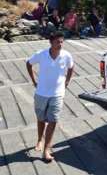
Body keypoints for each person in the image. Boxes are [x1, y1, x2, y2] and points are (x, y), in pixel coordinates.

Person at [26, 31, 74, 162]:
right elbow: (28, 63)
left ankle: (46, 149)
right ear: (50, 42)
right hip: (41, 93)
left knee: (53, 120)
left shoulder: (66, 55)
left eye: (62, 41)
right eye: (57, 42)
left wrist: (67, 81)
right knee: (41, 119)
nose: (60, 44)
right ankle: (39, 140)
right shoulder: (41, 55)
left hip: (58, 94)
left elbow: (71, 67)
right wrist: (34, 80)